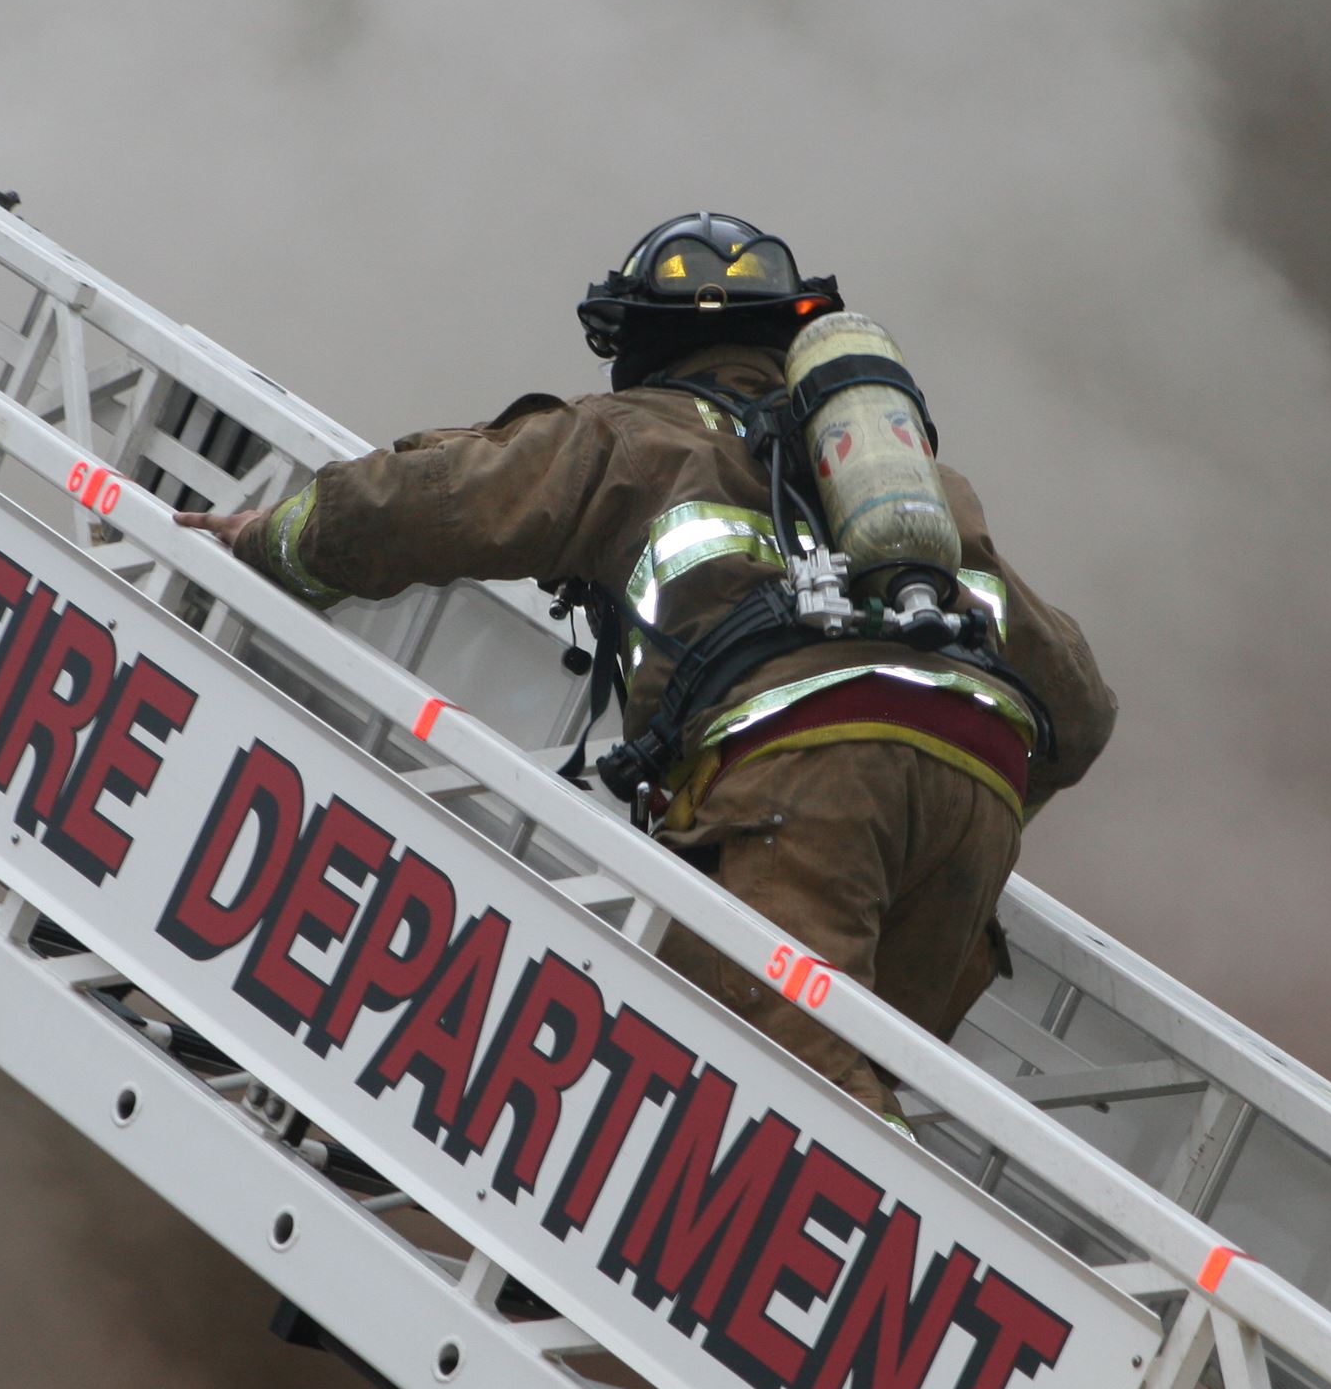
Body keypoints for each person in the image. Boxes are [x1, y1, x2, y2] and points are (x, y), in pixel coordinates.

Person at [178, 213, 1114, 1122]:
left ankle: (905, 1283)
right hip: (977, 793)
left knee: (794, 1117)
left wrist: (271, 545)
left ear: (637, 343)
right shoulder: (922, 495)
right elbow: (1081, 709)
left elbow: (428, 502)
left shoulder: (634, 435)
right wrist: (934, 762)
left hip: (805, 776)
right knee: (815, 1097)